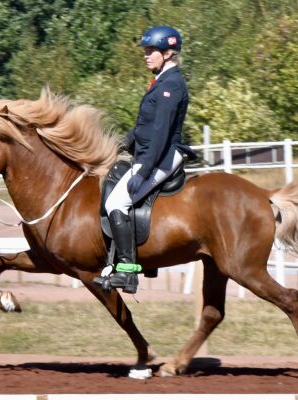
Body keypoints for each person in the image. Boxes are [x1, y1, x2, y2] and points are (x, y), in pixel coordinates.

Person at [102, 25, 196, 294]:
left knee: (116, 202)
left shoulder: (172, 84)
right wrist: (119, 144)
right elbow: (145, 125)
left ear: (168, 53)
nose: (146, 55)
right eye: (145, 50)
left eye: (151, 50)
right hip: (149, 153)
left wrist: (144, 170)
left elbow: (160, 133)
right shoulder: (161, 81)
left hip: (161, 157)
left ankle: (128, 272)